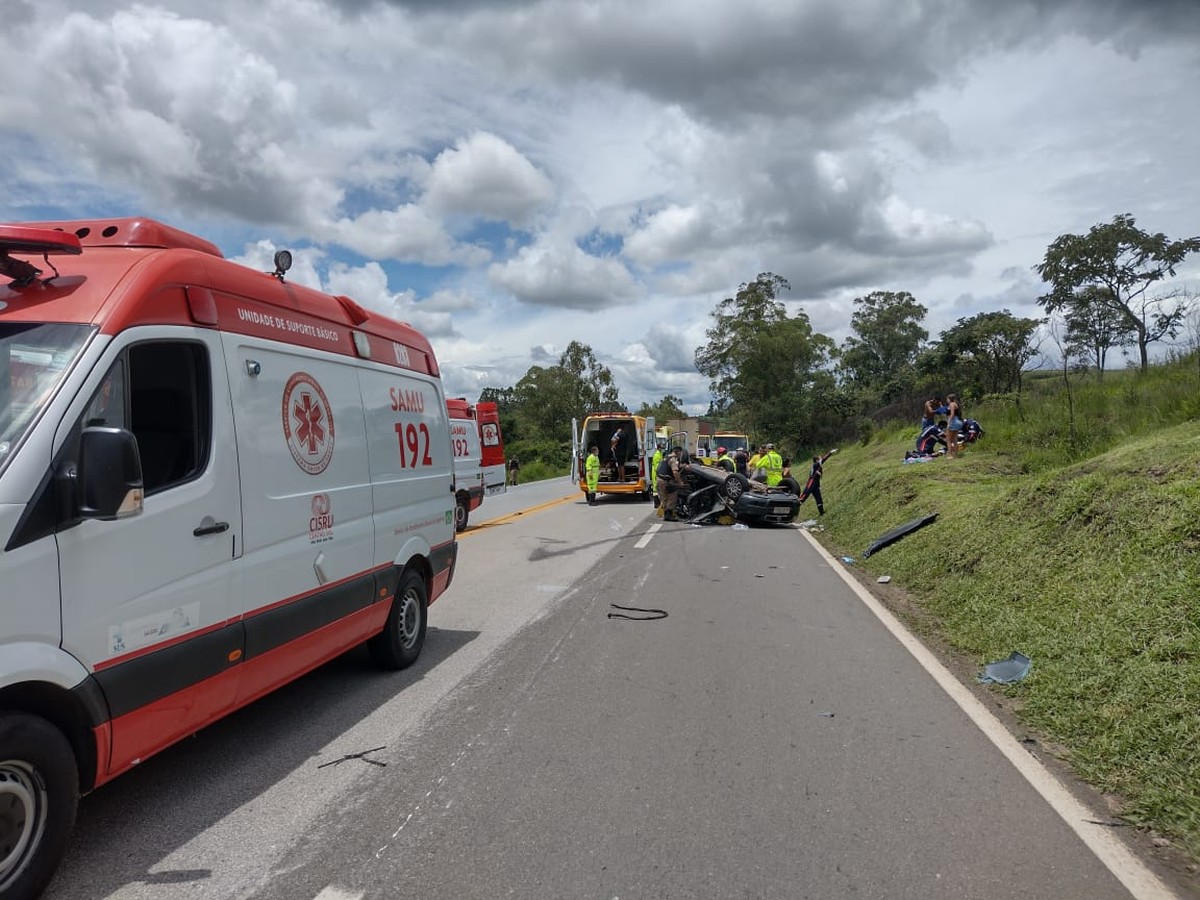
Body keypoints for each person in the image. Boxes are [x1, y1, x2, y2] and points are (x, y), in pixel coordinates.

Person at [799, 448, 837, 515]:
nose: (821, 458)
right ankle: (794, 505)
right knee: (804, 496)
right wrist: (830, 453)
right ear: (816, 460)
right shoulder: (816, 465)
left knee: (818, 498)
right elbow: (823, 460)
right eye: (819, 458)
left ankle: (821, 512)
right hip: (811, 482)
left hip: (816, 484)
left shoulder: (818, 467)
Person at [657, 446, 683, 521]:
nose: (681, 454)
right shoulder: (673, 459)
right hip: (665, 480)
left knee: (664, 497)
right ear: (677, 452)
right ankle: (669, 514)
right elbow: (675, 472)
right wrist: (679, 482)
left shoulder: (666, 457)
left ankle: (666, 514)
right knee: (673, 495)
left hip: (659, 479)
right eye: (680, 453)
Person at [945, 393, 963, 458]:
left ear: (949, 399)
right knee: (955, 439)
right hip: (958, 421)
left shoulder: (951, 404)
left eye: (947, 399)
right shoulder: (956, 404)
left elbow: (952, 414)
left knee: (948, 439)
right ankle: (956, 454)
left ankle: (950, 455)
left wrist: (949, 423)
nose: (947, 400)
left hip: (953, 422)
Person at [650, 441, 665, 508]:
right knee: (655, 489)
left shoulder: (660, 453)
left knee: (656, 488)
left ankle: (657, 503)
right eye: (662, 446)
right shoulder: (657, 455)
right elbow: (657, 466)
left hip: (657, 472)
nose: (663, 448)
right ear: (659, 447)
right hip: (656, 473)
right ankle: (656, 504)